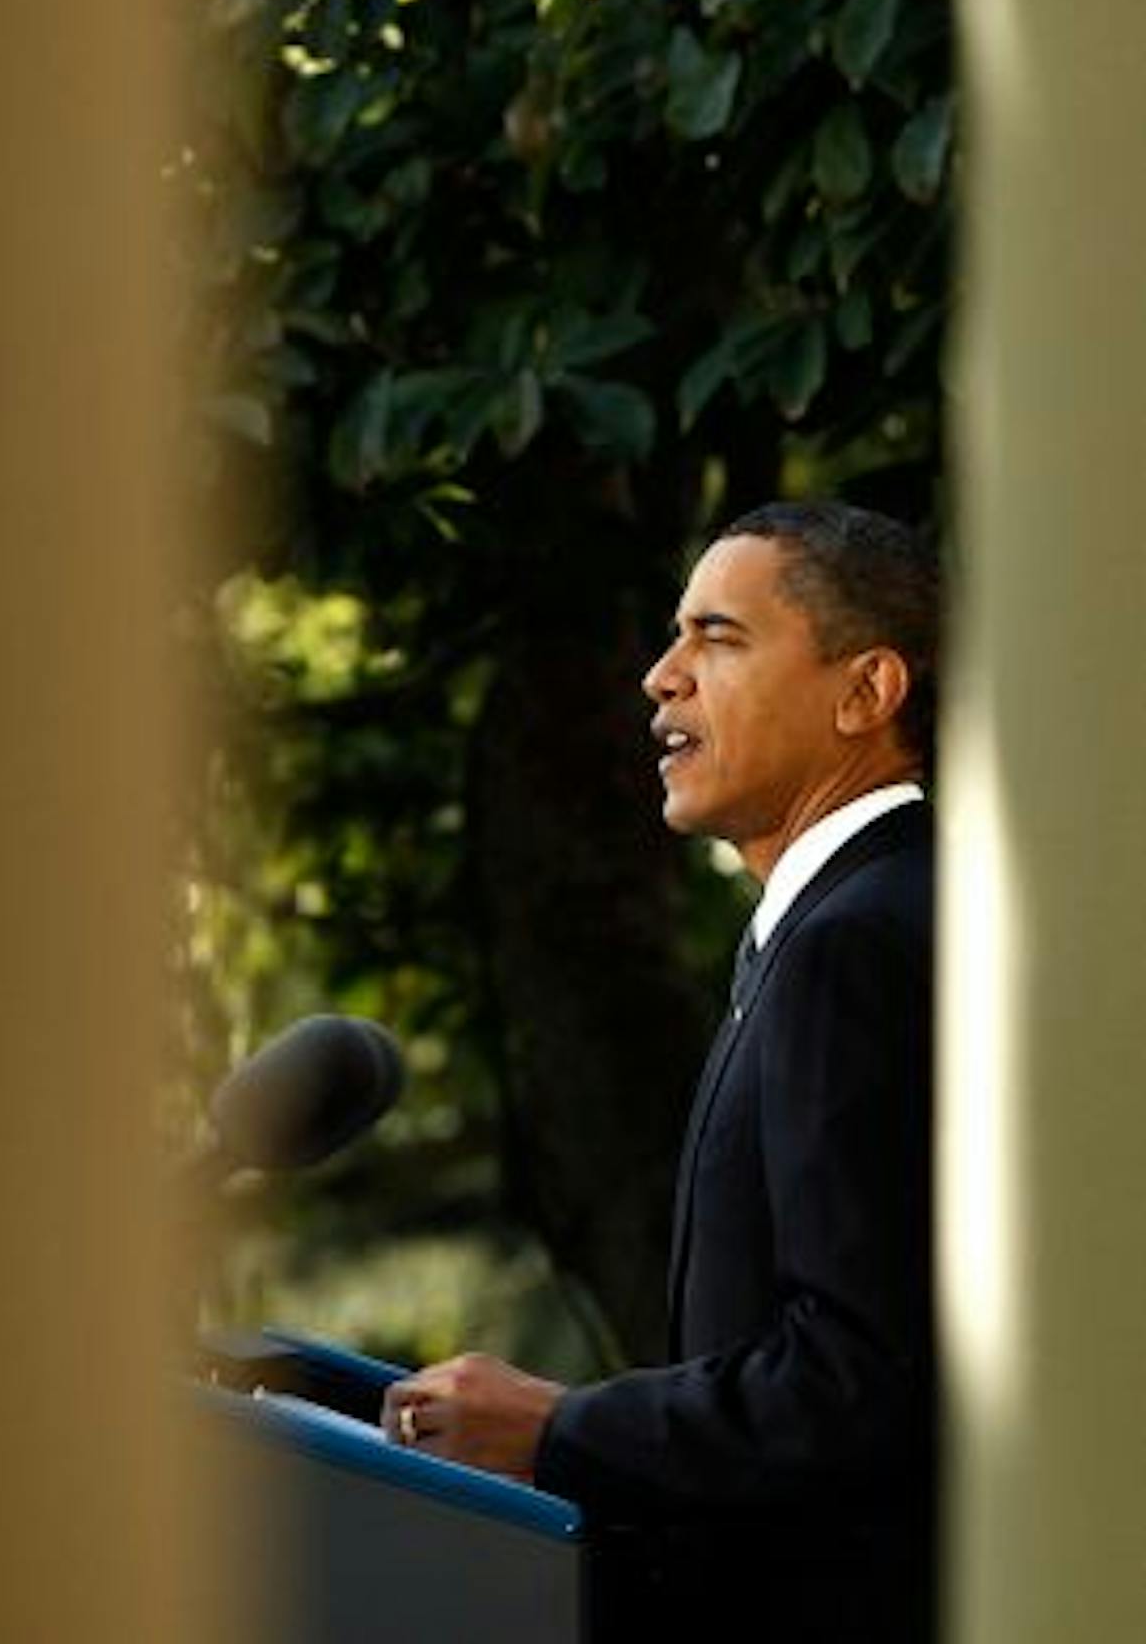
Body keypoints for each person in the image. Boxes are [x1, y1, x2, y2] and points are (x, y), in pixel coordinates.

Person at [381, 500, 938, 1643]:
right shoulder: (849, 920)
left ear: (863, 692)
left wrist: (560, 1426)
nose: (658, 676)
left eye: (717, 637)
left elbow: (858, 1380)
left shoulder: (857, 940)